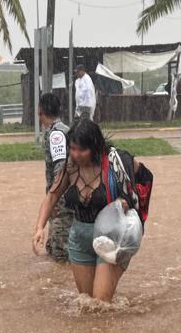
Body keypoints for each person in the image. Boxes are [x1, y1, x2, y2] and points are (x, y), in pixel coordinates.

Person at [33, 118, 140, 302]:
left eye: (82, 149)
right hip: (79, 240)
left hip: (111, 239)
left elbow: (140, 176)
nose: (76, 154)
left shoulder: (115, 163)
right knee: (87, 304)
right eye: (72, 148)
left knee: (100, 304)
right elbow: (51, 196)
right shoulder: (70, 167)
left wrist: (126, 200)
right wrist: (40, 228)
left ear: (95, 146)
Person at [38, 92, 72, 263]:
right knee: (54, 249)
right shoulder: (63, 130)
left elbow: (61, 169)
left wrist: (56, 201)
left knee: (60, 254)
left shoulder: (56, 134)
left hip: (61, 203)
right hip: (62, 201)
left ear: (40, 111)